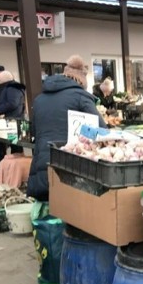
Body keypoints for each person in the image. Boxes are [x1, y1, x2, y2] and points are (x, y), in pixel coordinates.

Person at [27, 55, 106, 201]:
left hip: (41, 166)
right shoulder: (80, 96)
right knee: (70, 212)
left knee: (49, 208)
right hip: (69, 167)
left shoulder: (39, 99)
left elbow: (33, 131)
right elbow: (101, 129)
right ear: (81, 79)